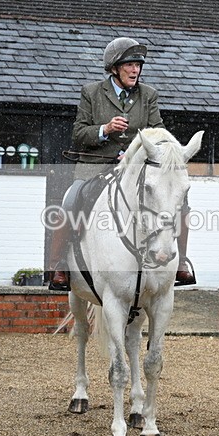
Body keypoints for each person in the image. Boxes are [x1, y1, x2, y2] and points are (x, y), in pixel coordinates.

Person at [46, 37, 196, 290]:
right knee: (71, 200)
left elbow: (158, 132)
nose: (135, 70)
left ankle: (180, 262)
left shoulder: (149, 95)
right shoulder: (92, 92)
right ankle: (57, 265)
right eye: (129, 65)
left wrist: (132, 153)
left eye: (138, 65)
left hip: (135, 168)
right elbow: (79, 133)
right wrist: (104, 129)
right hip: (97, 166)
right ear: (114, 68)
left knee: (181, 203)